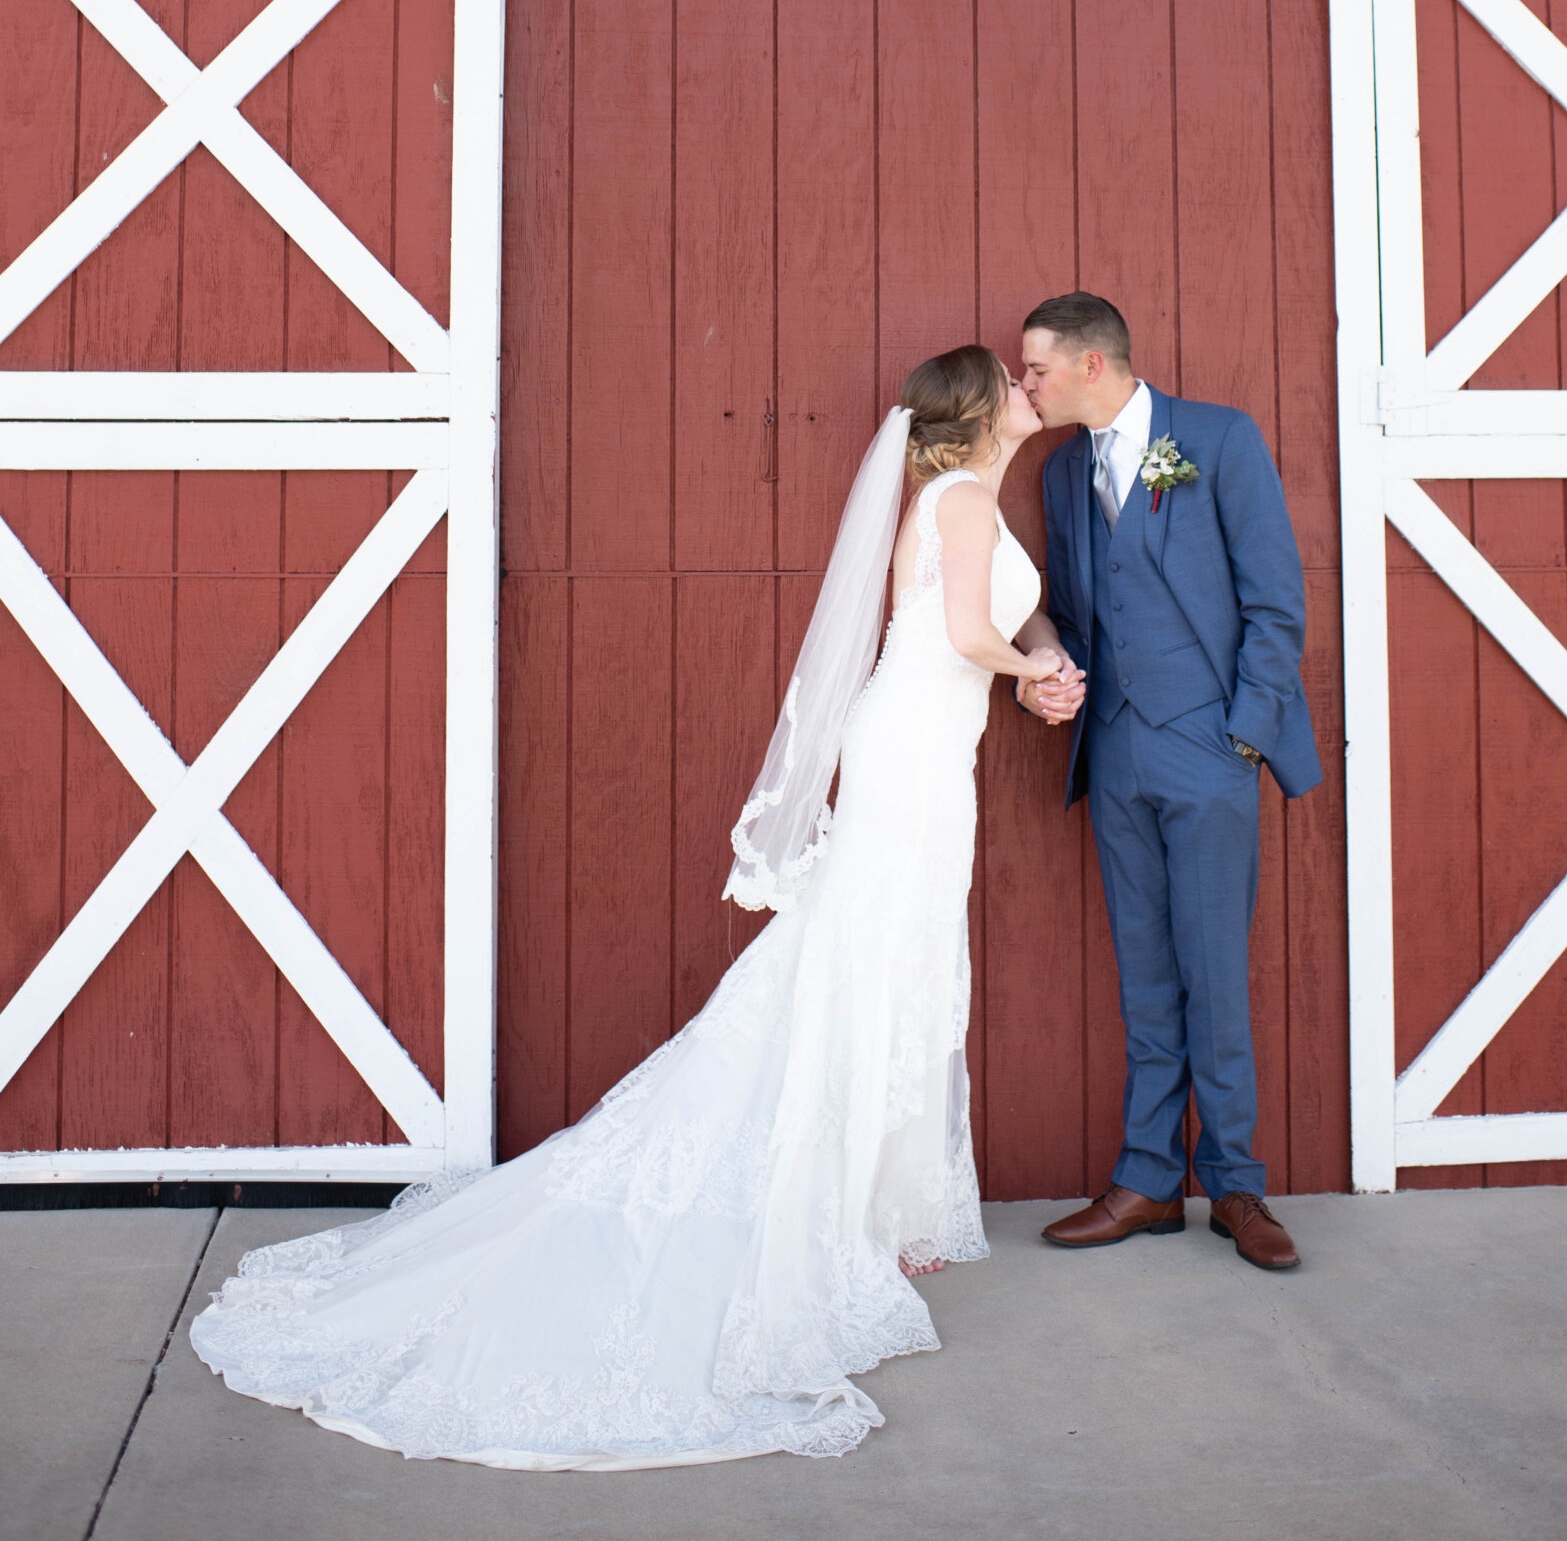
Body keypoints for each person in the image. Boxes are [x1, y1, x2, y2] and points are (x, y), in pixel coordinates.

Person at [190, 345, 1084, 1472]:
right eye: (1010, 378)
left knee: (881, 960)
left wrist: (1043, 656)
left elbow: (1003, 618)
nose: (1023, 386)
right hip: (909, 752)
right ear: (974, 416)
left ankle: (861, 1200)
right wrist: (1028, 675)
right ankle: (831, 1204)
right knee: (863, 958)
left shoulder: (966, 501)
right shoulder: (956, 500)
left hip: (927, 752)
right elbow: (963, 637)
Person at [1018, 293, 1320, 1271]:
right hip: (1112, 750)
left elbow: (1274, 600)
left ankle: (1235, 1184)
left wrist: (1242, 734)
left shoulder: (1216, 439)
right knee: (1144, 978)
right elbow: (1067, 607)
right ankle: (1147, 1179)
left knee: (1212, 975)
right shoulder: (1064, 469)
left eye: (1036, 368)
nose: (1027, 383)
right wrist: (1044, 678)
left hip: (1206, 748)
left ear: (1091, 366)